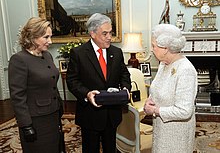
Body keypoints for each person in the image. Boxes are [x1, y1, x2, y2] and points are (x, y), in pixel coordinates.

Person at [66, 13, 131, 153]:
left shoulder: (117, 52)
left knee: (110, 148)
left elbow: (124, 74)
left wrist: (125, 89)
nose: (109, 37)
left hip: (112, 114)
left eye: (111, 33)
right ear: (93, 34)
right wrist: (87, 94)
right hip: (90, 115)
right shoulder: (78, 53)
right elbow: (72, 81)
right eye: (105, 33)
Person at [8, 17, 64, 153]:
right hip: (36, 120)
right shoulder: (19, 60)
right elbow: (17, 97)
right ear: (32, 37)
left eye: (50, 37)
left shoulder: (47, 55)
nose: (50, 41)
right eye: (46, 37)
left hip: (53, 115)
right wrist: (26, 125)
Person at [143, 24, 197, 153]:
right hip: (161, 130)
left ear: (165, 48)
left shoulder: (185, 70)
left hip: (177, 135)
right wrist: (149, 101)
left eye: (153, 45)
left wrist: (155, 110)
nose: (151, 49)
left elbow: (184, 111)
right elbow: (158, 88)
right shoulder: (164, 63)